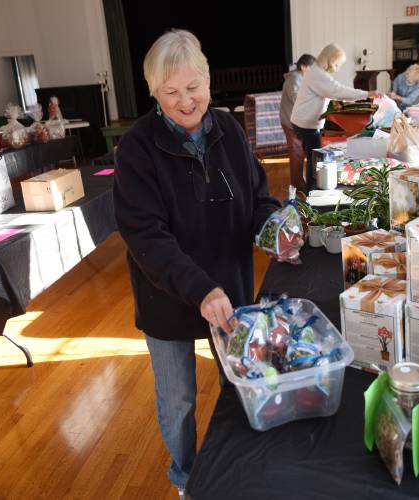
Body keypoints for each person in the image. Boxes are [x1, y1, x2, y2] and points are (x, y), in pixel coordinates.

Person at [113, 29, 281, 497]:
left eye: (193, 87)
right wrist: (200, 289)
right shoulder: (137, 149)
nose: (186, 101)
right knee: (178, 400)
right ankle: (187, 476)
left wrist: (273, 229)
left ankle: (242, 468)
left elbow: (258, 198)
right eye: (171, 92)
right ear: (154, 93)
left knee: (240, 382)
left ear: (208, 81)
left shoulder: (226, 127)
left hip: (228, 290)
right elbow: (147, 237)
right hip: (168, 296)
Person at [290, 43, 382, 189]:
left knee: (313, 157)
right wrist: (367, 94)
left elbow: (334, 90)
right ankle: (312, 193)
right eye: (337, 63)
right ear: (330, 60)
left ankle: (311, 190)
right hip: (306, 123)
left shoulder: (318, 71)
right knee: (315, 159)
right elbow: (337, 91)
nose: (338, 67)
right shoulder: (317, 74)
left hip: (305, 121)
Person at [280, 53, 316, 192]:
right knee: (297, 153)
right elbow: (297, 100)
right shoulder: (294, 78)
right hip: (291, 122)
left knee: (299, 152)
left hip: (296, 121)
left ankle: (300, 183)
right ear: (303, 67)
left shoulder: (301, 78)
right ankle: (297, 185)